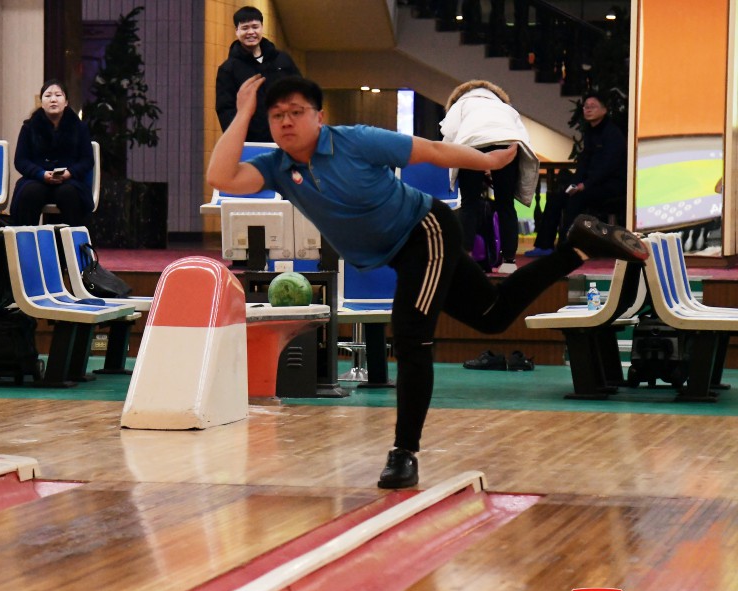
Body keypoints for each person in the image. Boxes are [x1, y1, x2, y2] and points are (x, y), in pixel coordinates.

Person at [207, 75, 648, 489]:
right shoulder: (277, 167)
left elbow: (432, 152)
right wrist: (243, 113)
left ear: (319, 116)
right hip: (401, 253)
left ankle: (404, 453)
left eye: (296, 111)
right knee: (492, 316)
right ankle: (579, 246)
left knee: (412, 335)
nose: (286, 121)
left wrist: (489, 161)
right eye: (276, 115)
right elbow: (222, 177)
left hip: (426, 230)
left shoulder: (356, 141)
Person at [440, 80, 538, 272]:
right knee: (506, 204)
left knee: (469, 203)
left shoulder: (460, 104)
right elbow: (522, 136)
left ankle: (465, 259)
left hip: (471, 145)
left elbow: (448, 132)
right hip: (507, 144)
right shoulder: (505, 108)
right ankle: (509, 261)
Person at [527, 91, 628, 256]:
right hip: (589, 184)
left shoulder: (613, 134)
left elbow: (607, 167)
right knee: (556, 197)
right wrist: (574, 184)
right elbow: (583, 163)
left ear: (604, 110)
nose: (588, 110)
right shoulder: (590, 132)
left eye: (592, 107)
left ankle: (566, 248)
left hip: (610, 186)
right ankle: (544, 246)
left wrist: (584, 185)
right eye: (586, 107)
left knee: (576, 199)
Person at [11, 79, 95, 228]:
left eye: (58, 95)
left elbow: (87, 160)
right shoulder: (29, 127)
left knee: (68, 194)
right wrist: (40, 174)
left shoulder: (79, 128)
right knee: (30, 193)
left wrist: (70, 173)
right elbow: (21, 160)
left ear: (66, 101)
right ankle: (24, 246)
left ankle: (74, 247)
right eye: (48, 95)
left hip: (70, 180)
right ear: (41, 102)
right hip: (37, 179)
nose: (53, 99)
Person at [215, 5, 301, 143]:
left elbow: (301, 93)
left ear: (262, 27)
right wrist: (240, 140)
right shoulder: (228, 70)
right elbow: (226, 109)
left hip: (287, 139)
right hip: (252, 144)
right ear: (236, 31)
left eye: (255, 27)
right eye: (245, 28)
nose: (251, 32)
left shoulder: (282, 60)